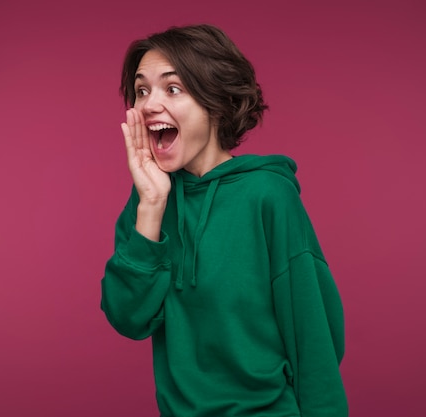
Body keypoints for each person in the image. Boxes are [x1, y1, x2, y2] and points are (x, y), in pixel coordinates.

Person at [100, 24, 348, 417]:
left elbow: (313, 338)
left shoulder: (267, 195)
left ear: (214, 101)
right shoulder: (150, 196)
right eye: (142, 90)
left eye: (173, 88)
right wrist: (150, 204)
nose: (148, 105)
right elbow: (128, 318)